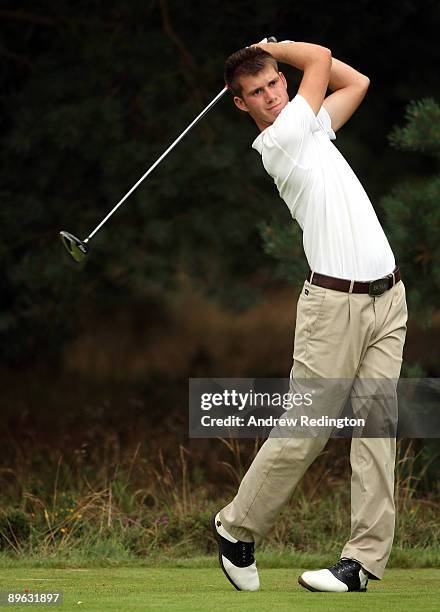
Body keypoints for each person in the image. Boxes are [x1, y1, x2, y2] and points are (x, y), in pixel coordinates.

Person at [211, 40, 408, 593]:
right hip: (333, 307)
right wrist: (271, 47)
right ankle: (235, 528)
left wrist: (273, 56)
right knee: (307, 429)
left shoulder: (312, 127)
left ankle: (362, 564)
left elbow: (357, 82)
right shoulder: (282, 139)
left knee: (377, 432)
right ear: (241, 104)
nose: (271, 96)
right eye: (257, 92)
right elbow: (320, 59)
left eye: (274, 82)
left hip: (387, 298)